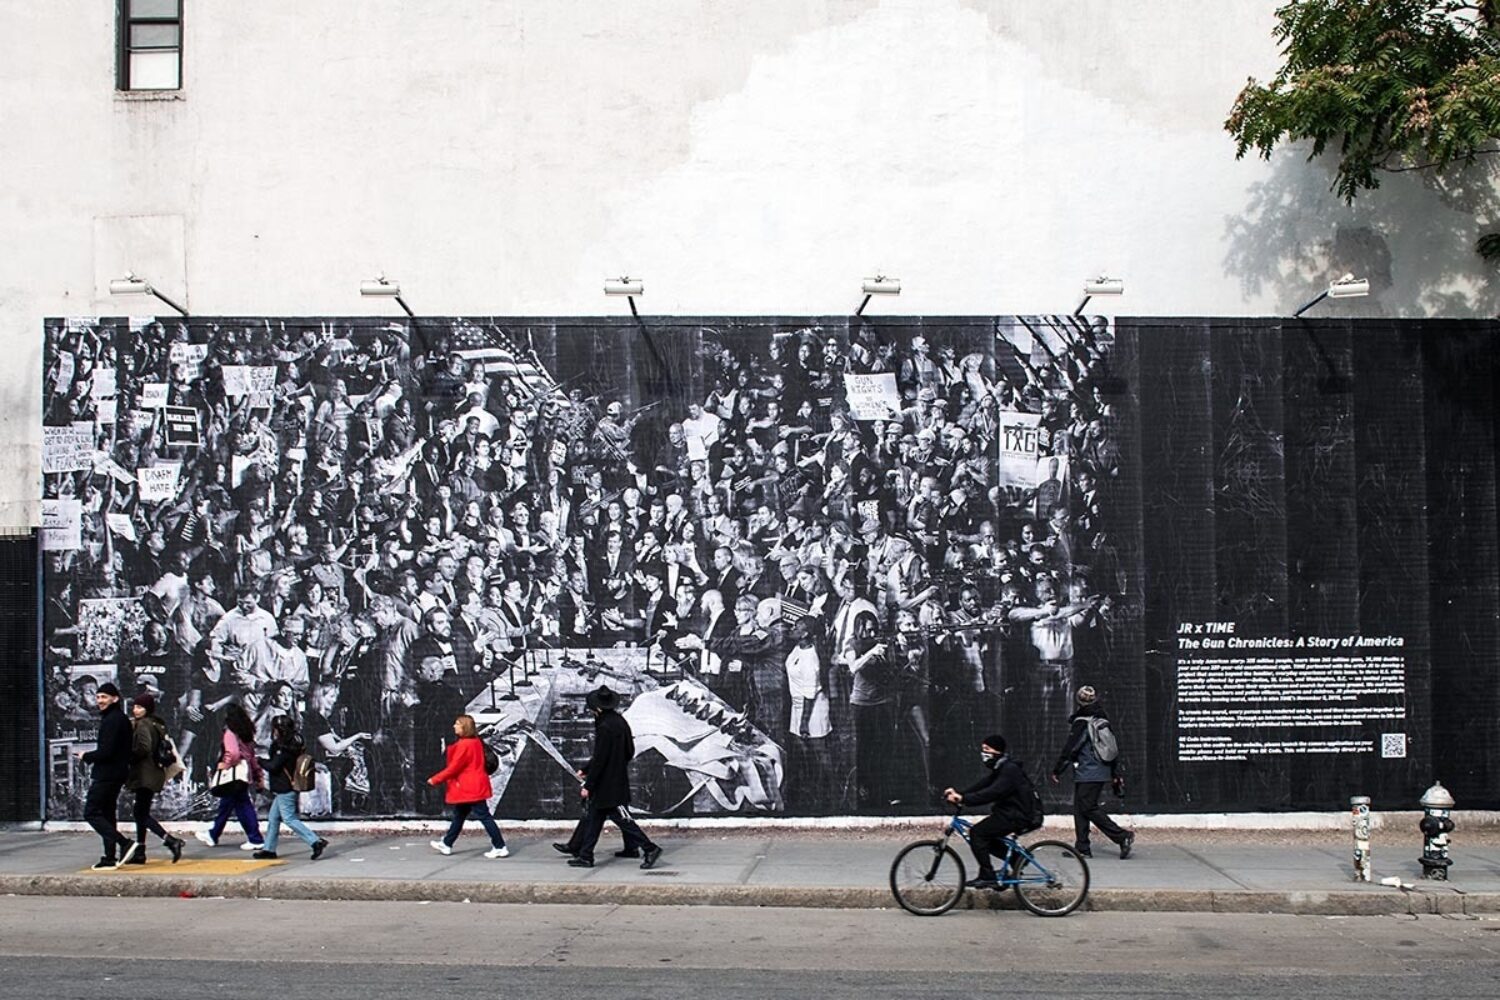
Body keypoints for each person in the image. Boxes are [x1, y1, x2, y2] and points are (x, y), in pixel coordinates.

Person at [552, 685, 662, 869]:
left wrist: (589, 784)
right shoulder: (620, 721)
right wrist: (601, 767)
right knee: (595, 815)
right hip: (616, 777)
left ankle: (650, 848)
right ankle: (585, 854)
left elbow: (601, 758)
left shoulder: (604, 726)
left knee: (621, 819)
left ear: (598, 708)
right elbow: (627, 752)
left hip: (606, 783)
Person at [1050, 686, 1133, 859]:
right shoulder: (1101, 718)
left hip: (1089, 771)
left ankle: (1121, 836)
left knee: (1088, 807)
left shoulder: (1082, 722)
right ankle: (1082, 848)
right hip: (1099, 770)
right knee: (1081, 808)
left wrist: (1058, 769)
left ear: (1078, 701)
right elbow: (1112, 748)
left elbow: (1071, 748)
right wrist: (1115, 773)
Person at [943, 733, 1035, 888]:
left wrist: (964, 799)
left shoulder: (1009, 770)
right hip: (1012, 812)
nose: (983, 753)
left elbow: (993, 792)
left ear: (997, 751)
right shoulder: (1001, 767)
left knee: (977, 833)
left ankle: (987, 875)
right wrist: (960, 793)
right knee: (985, 837)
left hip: (1018, 815)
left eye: (987, 749)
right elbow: (983, 785)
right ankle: (1017, 859)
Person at [426, 714, 509, 858]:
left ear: (464, 727)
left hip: (469, 788)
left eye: (457, 724)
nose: (454, 726)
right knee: (460, 815)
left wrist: (435, 779)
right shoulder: (475, 742)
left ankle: (500, 846)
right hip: (474, 786)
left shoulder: (464, 745)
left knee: (484, 816)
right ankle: (446, 843)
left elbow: (454, 768)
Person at [79, 682, 141, 870]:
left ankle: (124, 843)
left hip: (107, 774)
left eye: (104, 697)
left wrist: (85, 756)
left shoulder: (113, 720)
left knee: (91, 812)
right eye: (98, 697)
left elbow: (107, 752)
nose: (100, 701)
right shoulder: (117, 718)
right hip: (116, 773)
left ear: (115, 698)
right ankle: (109, 857)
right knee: (107, 814)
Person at [254, 714, 329, 861]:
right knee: (274, 818)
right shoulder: (295, 743)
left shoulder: (282, 748)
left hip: (285, 788)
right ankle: (269, 849)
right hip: (287, 787)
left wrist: (260, 761)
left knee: (288, 818)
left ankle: (315, 841)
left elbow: (274, 766)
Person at [124, 692, 186, 865]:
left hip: (145, 773)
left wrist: (126, 756)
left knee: (140, 813)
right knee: (141, 813)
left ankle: (171, 840)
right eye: (135, 706)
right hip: (154, 773)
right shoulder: (157, 723)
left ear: (147, 708)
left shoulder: (143, 724)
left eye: (140, 707)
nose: (136, 710)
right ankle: (140, 852)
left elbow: (143, 748)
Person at [195, 703, 265, 850]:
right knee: (237, 805)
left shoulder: (230, 732)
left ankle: (253, 838)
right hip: (244, 774)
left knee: (232, 805)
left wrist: (224, 764)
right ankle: (252, 837)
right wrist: (258, 775)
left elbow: (232, 753)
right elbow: (252, 757)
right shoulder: (247, 734)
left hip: (233, 775)